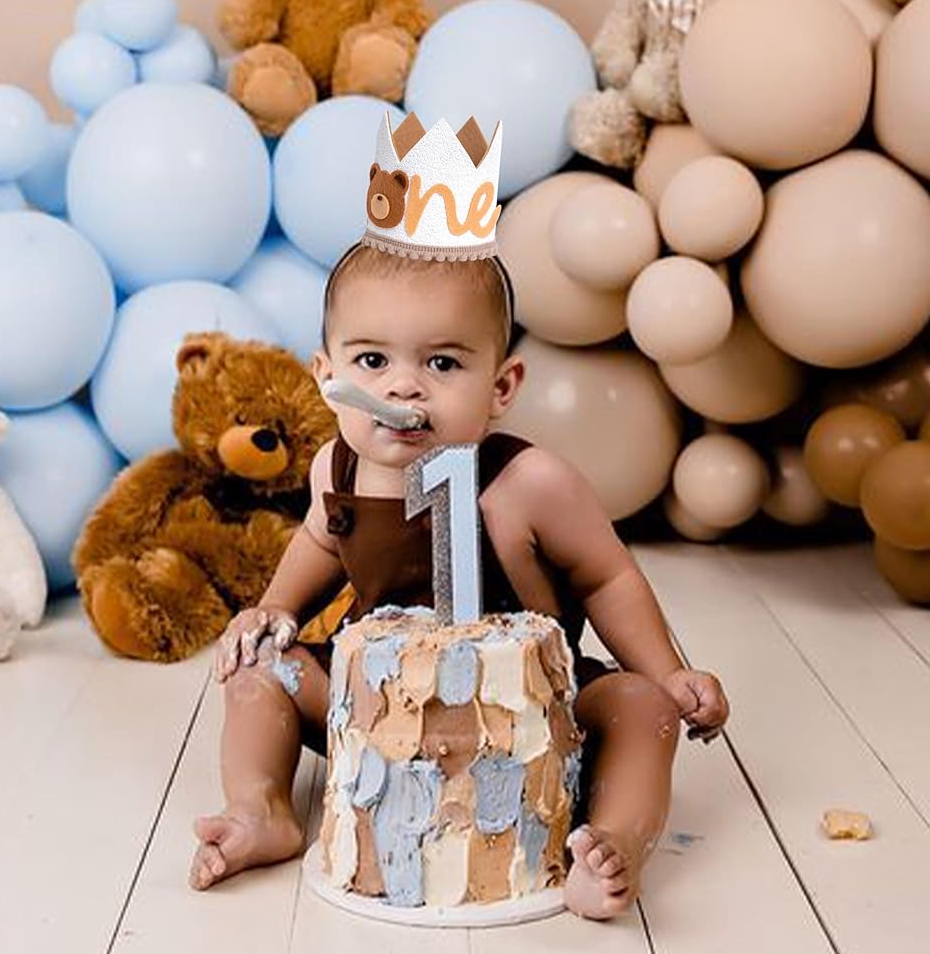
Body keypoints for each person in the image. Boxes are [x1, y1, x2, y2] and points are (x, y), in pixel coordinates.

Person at [189, 241, 730, 919]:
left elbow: (607, 579)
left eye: (442, 363)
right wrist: (275, 608)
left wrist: (666, 671)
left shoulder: (529, 482)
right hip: (378, 710)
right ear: (328, 375)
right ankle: (260, 808)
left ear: (501, 387)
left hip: (538, 715)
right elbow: (319, 542)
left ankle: (611, 844)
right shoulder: (337, 466)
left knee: (644, 710)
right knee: (259, 669)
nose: (403, 387)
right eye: (373, 361)